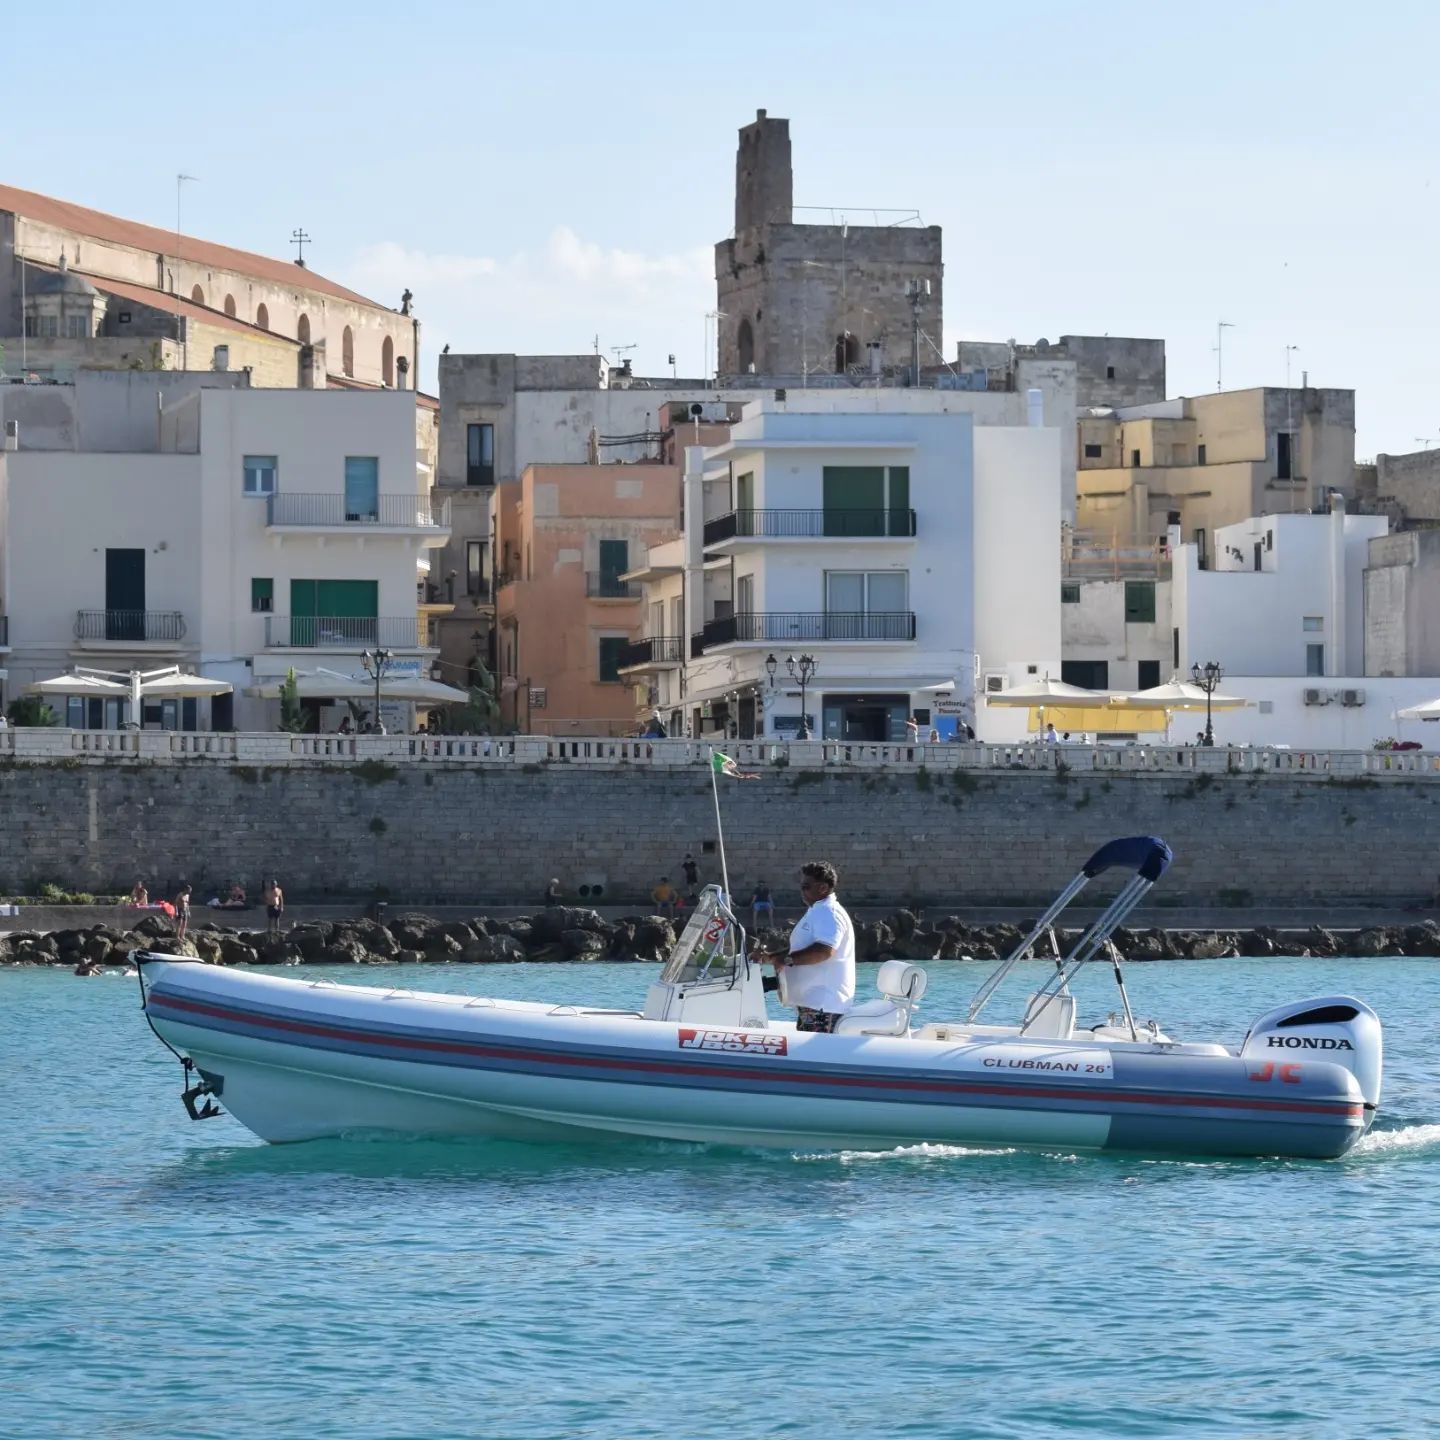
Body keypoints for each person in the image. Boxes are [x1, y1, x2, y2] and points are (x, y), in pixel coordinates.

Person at [756, 861, 855, 1033]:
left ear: (823, 888)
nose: (802, 891)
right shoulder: (817, 910)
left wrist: (786, 960)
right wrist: (770, 957)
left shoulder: (828, 912)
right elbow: (802, 948)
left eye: (806, 886)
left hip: (823, 1006)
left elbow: (824, 951)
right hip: (812, 1004)